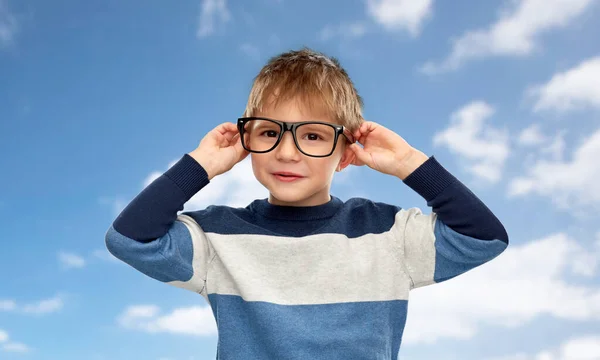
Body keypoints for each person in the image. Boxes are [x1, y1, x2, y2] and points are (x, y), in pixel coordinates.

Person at [105, 47, 509, 360]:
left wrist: (409, 164)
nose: (286, 153)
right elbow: (131, 239)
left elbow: (483, 237)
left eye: (313, 136)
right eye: (268, 133)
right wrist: (200, 166)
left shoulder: (388, 234)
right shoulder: (217, 237)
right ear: (247, 142)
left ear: (346, 152)